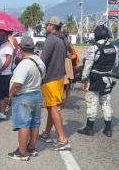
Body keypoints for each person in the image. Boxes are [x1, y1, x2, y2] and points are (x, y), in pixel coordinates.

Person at [8, 36, 46, 161]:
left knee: (23, 124)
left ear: (20, 48)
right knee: (35, 123)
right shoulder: (39, 61)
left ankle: (22, 152)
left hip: (24, 96)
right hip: (36, 94)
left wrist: (11, 94)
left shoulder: (24, 64)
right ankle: (31, 148)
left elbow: (18, 84)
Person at [78, 25, 117, 137]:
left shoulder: (93, 48)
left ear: (96, 35)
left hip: (95, 78)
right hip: (107, 78)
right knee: (106, 102)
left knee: (92, 102)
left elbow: (88, 66)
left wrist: (84, 79)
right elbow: (115, 63)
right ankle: (108, 129)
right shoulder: (114, 48)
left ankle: (89, 128)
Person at [39, 16, 71, 151]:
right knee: (52, 107)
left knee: (52, 108)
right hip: (59, 77)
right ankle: (46, 133)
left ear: (52, 26)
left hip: (51, 78)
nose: (46, 26)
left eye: (47, 24)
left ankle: (62, 139)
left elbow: (43, 60)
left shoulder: (51, 39)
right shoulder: (62, 39)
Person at [0, 30, 14, 120]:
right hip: (1, 73)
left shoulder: (8, 45)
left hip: (4, 73)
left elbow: (8, 60)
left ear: (5, 34)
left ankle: (2, 112)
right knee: (3, 93)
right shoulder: (3, 44)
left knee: (1, 93)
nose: (0, 35)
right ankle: (2, 110)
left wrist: (1, 69)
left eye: (1, 33)